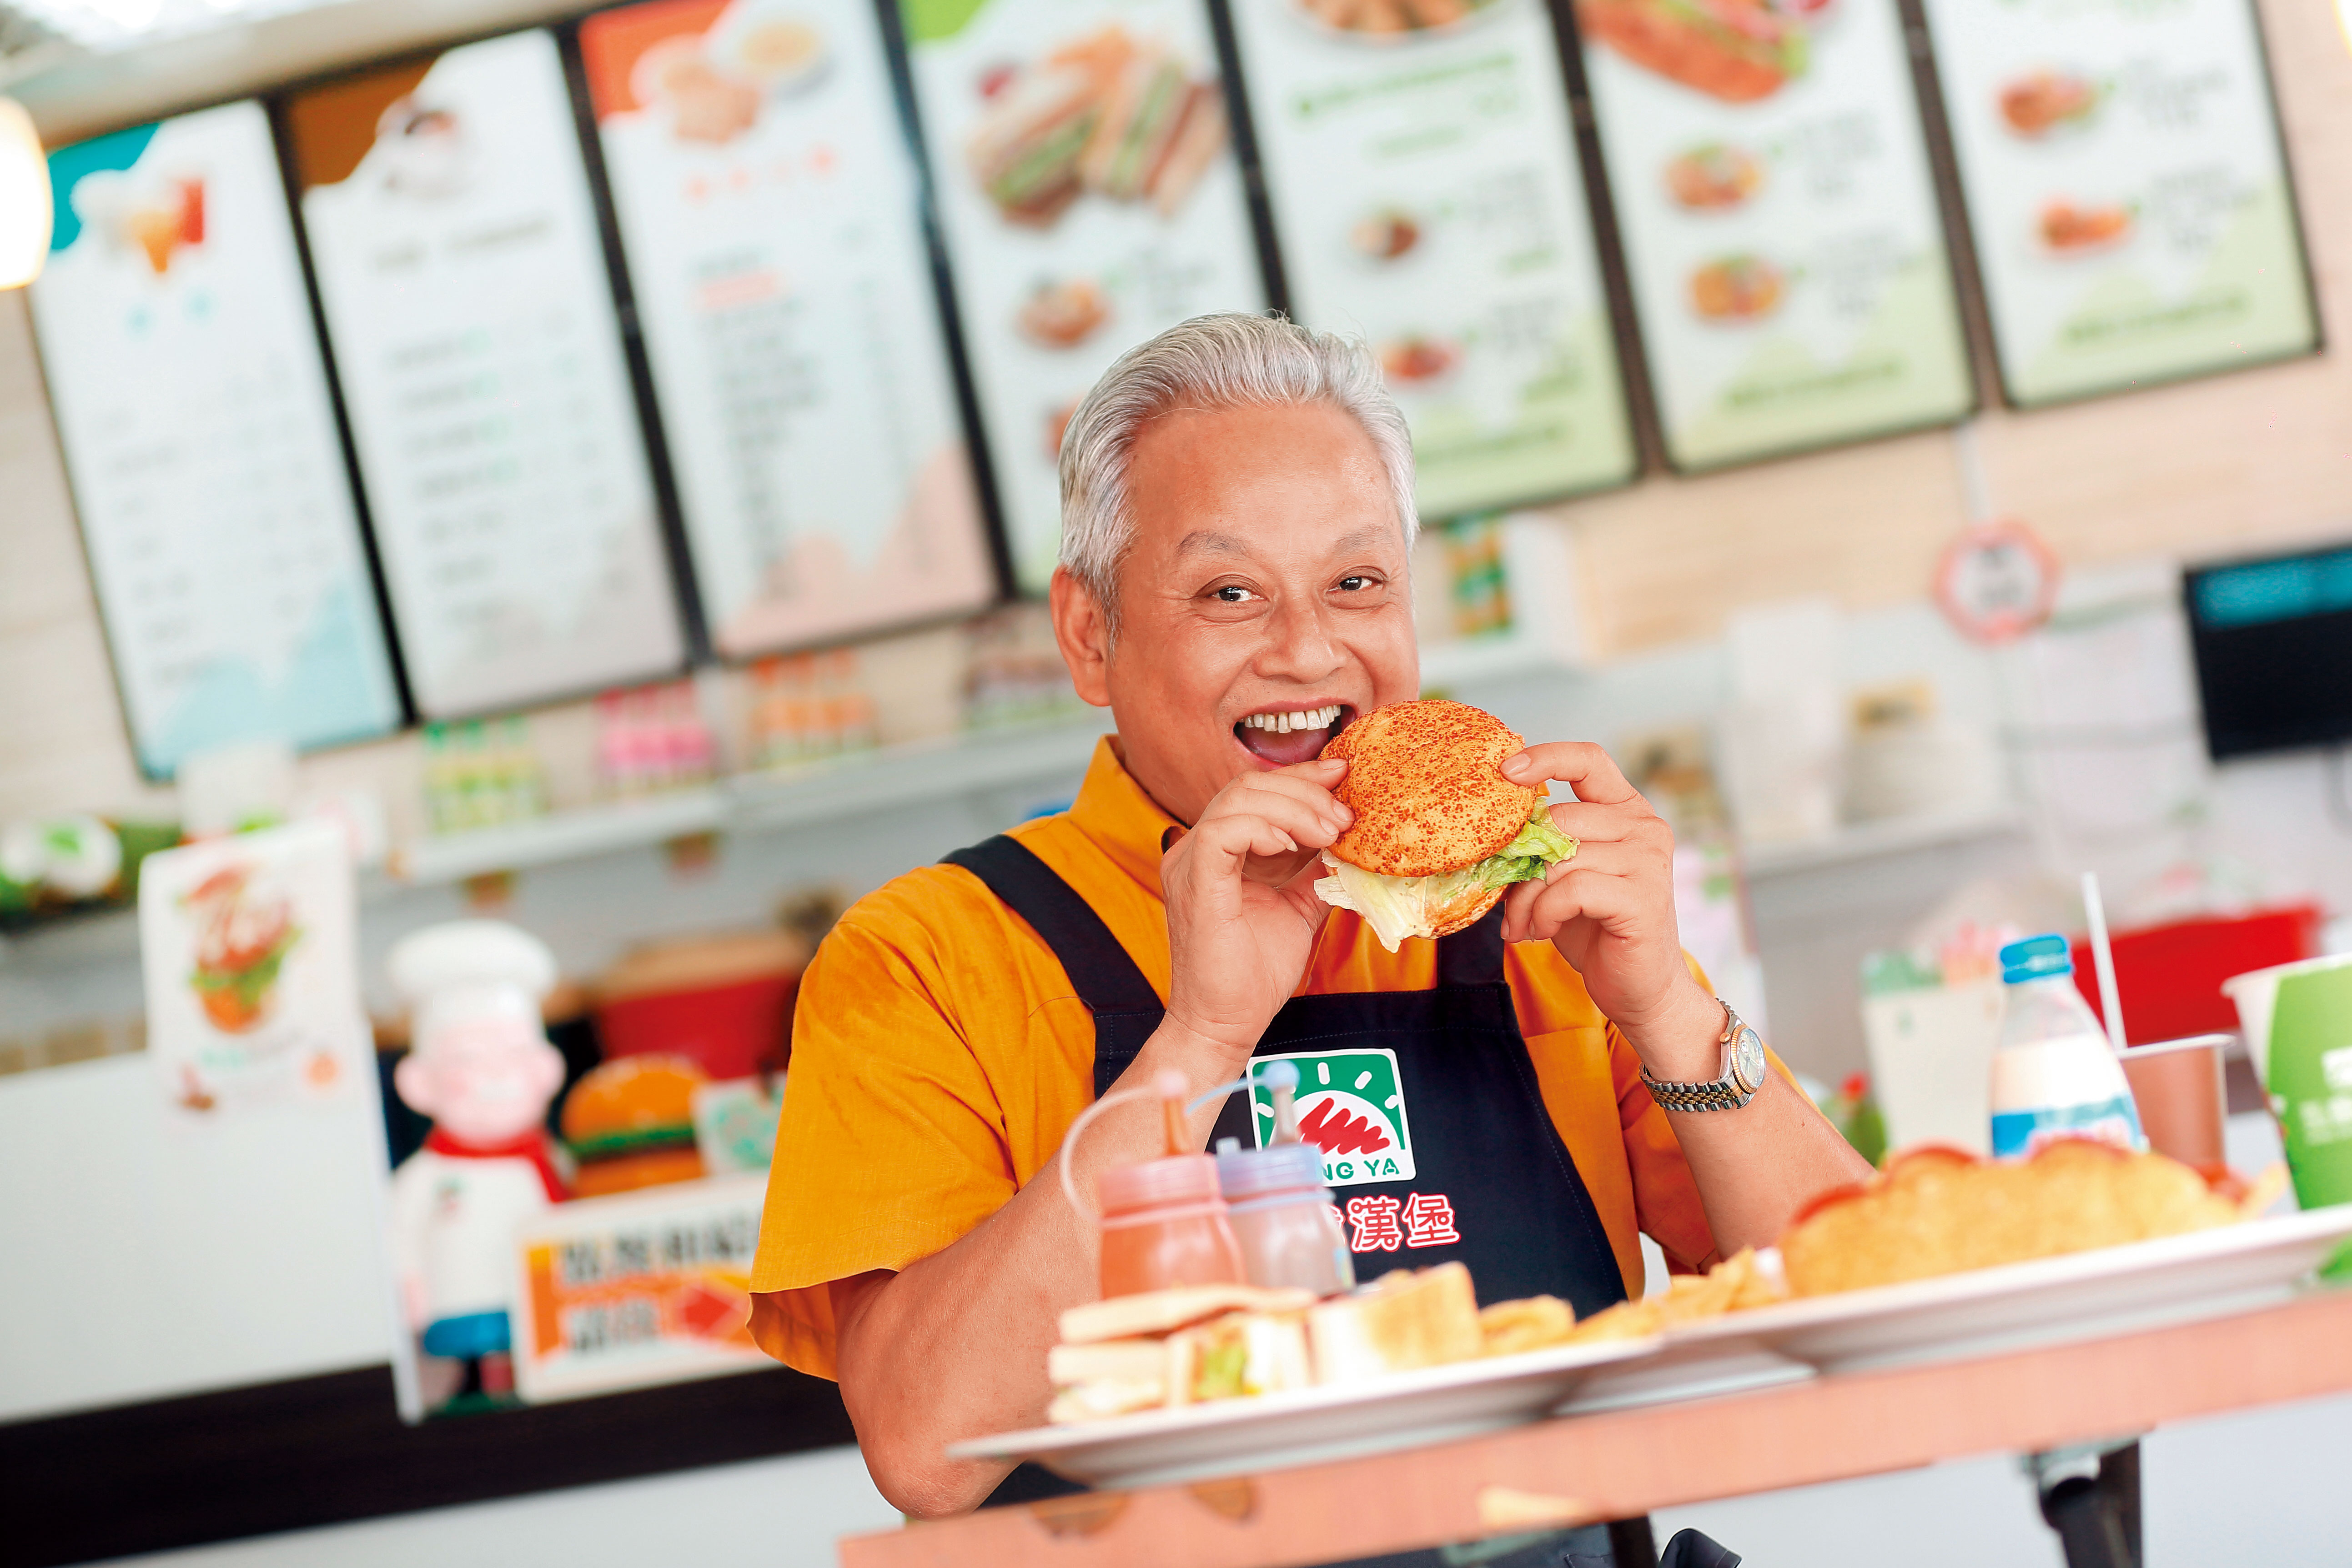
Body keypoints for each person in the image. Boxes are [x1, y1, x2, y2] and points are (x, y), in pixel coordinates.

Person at [747, 314, 1870, 1537]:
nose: (1306, 649)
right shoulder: (929, 955)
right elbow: (922, 1447)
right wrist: (1197, 1044)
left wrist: (1669, 1014)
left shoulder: (1525, 909)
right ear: (1088, 634)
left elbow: (1855, 1307)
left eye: (1356, 583)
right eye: (1228, 591)